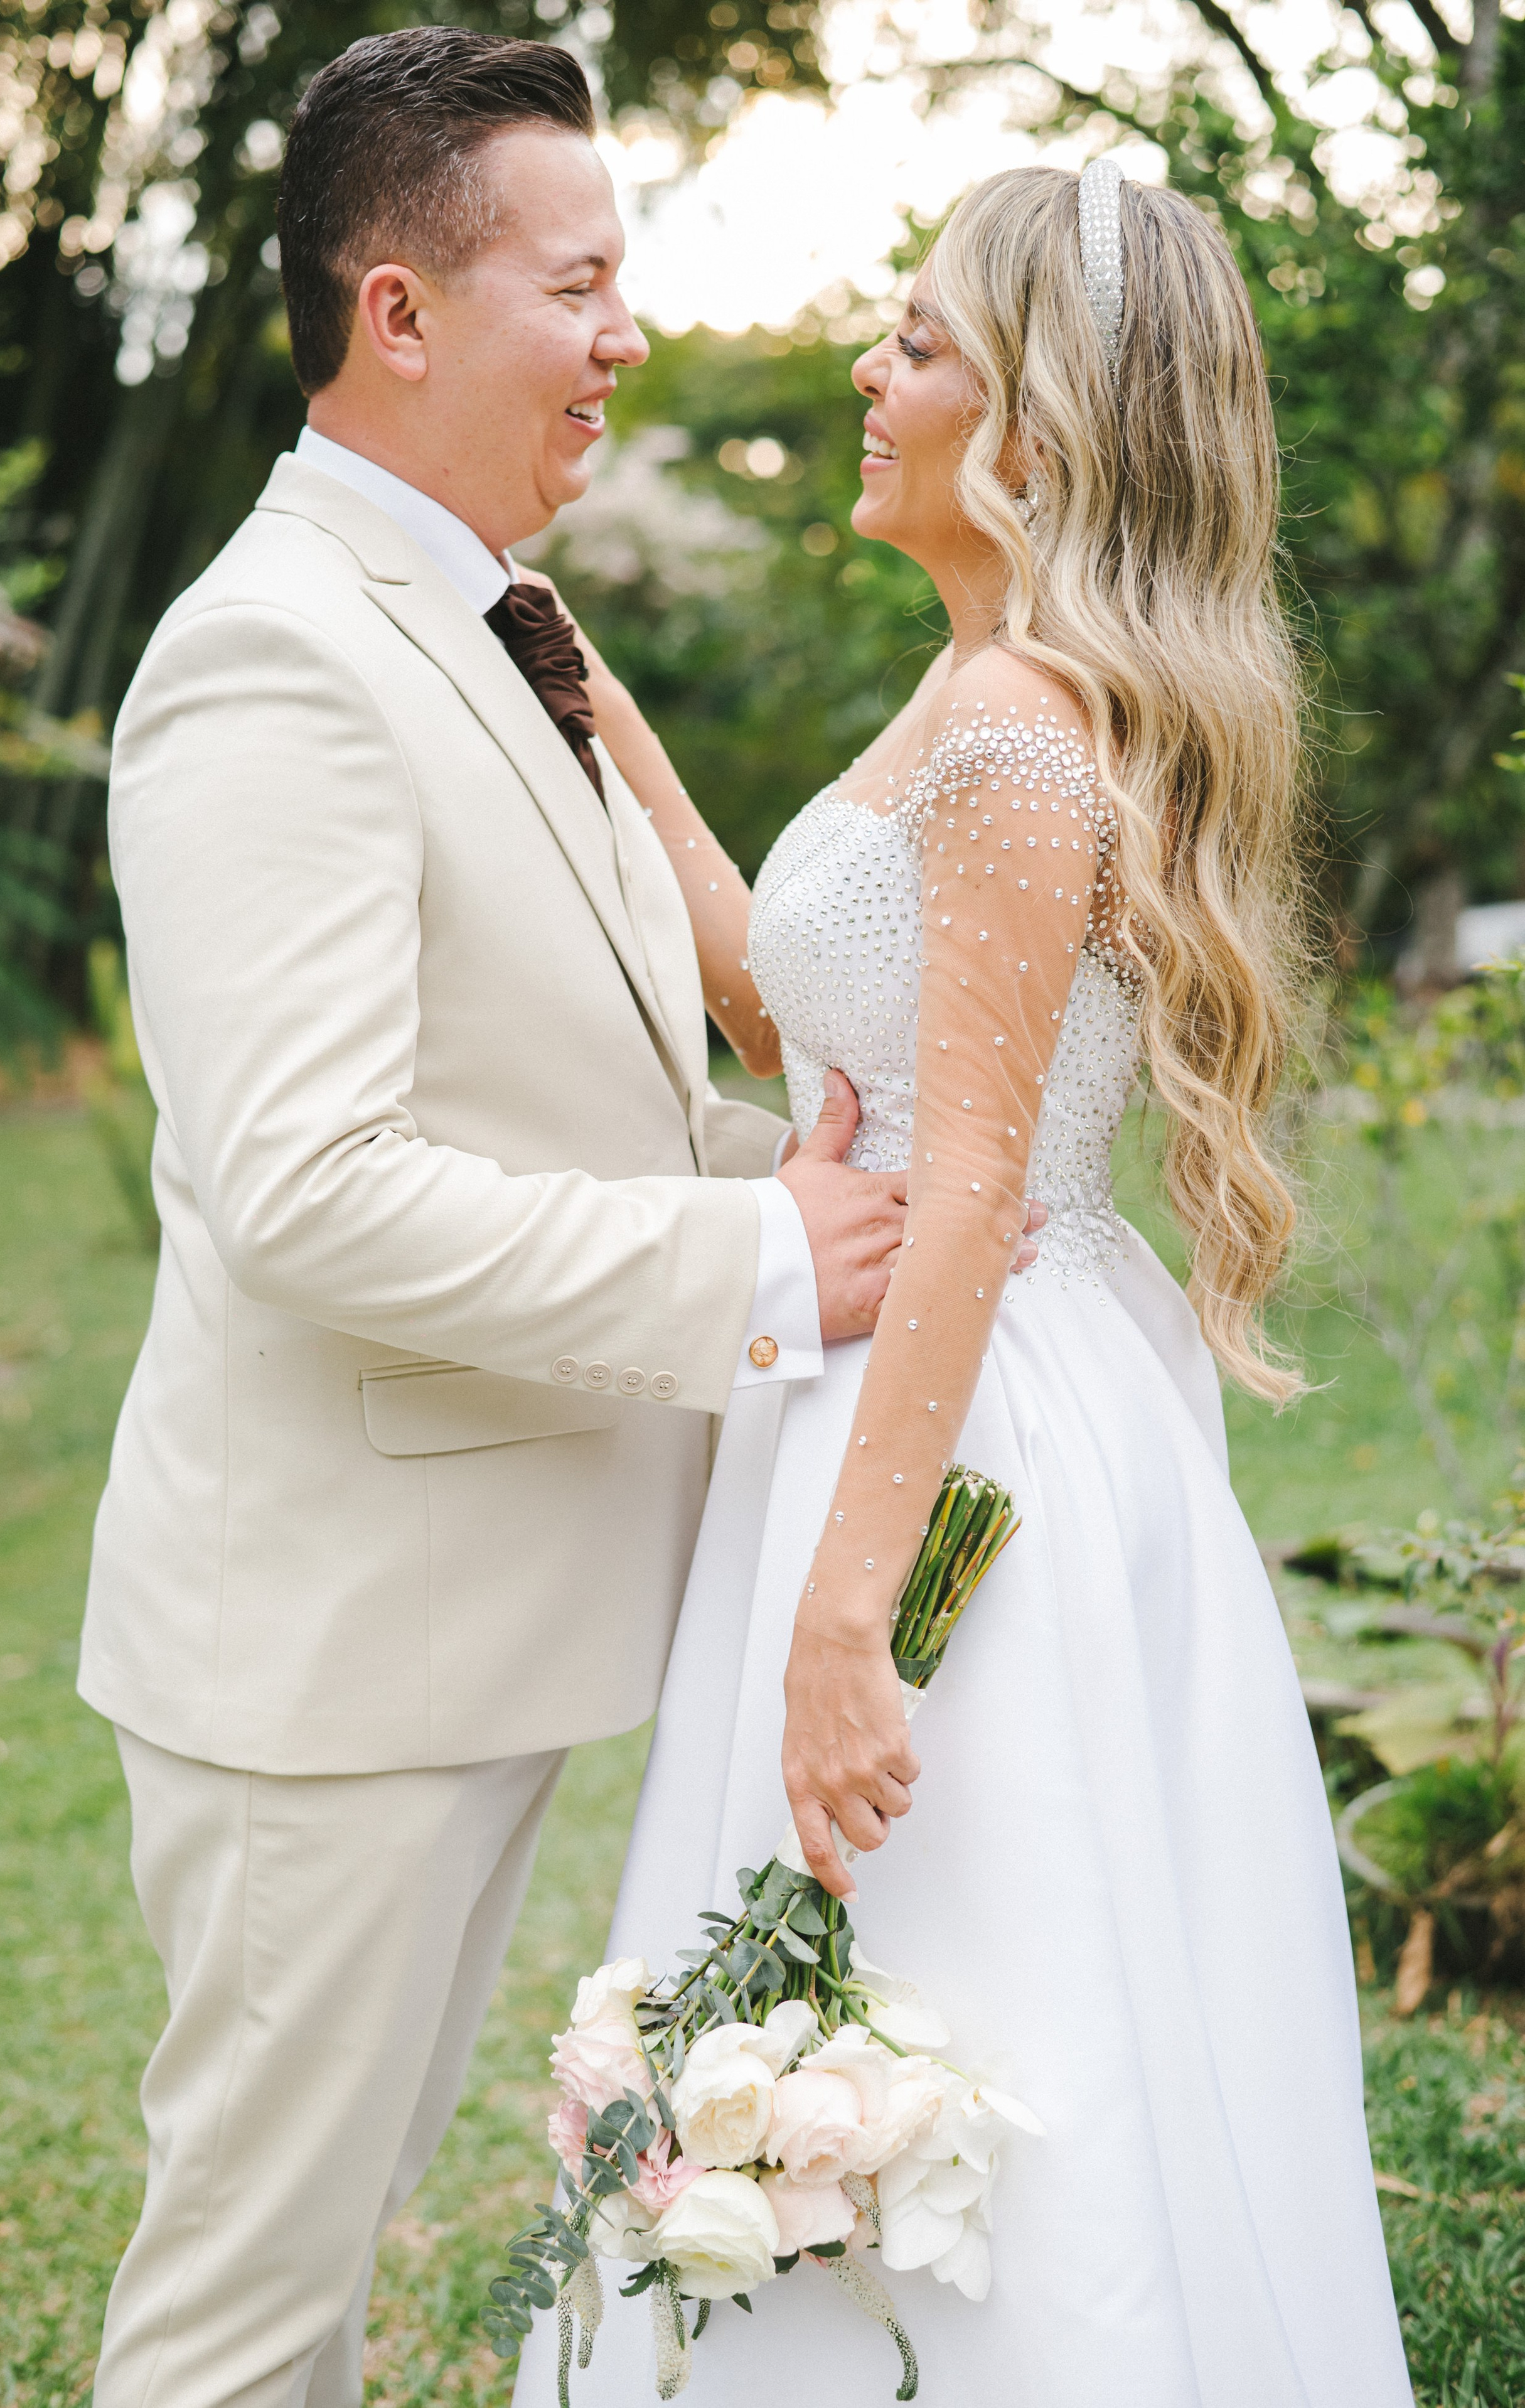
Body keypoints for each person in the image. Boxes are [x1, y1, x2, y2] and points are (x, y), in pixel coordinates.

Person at [73, 28, 1021, 2406]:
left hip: (475, 1625)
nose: (626, 337)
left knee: (346, 2210)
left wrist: (771, 1175)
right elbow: (310, 1189)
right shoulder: (273, 656)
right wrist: (756, 1265)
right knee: (249, 2305)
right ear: (399, 311)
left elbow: (553, 1088)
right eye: (581, 284)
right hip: (326, 1653)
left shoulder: (501, 629)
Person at [516, 164, 1415, 2405]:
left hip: (958, 1416)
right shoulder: (970, 692)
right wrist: (590, 698)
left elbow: (986, 1163)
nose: (868, 367)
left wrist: (844, 1614)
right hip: (914, 1361)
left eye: (917, 342)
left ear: (1041, 425)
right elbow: (787, 1014)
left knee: (977, 1974)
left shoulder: (1022, 735)